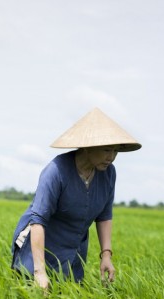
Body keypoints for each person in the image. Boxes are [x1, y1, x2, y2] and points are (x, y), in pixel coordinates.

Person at [11, 108, 141, 289]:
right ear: (87, 147)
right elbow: (38, 220)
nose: (111, 157)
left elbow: (104, 215)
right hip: (37, 252)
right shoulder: (56, 171)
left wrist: (106, 255)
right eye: (106, 150)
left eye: (115, 151)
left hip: (73, 252)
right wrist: (39, 272)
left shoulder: (108, 173)